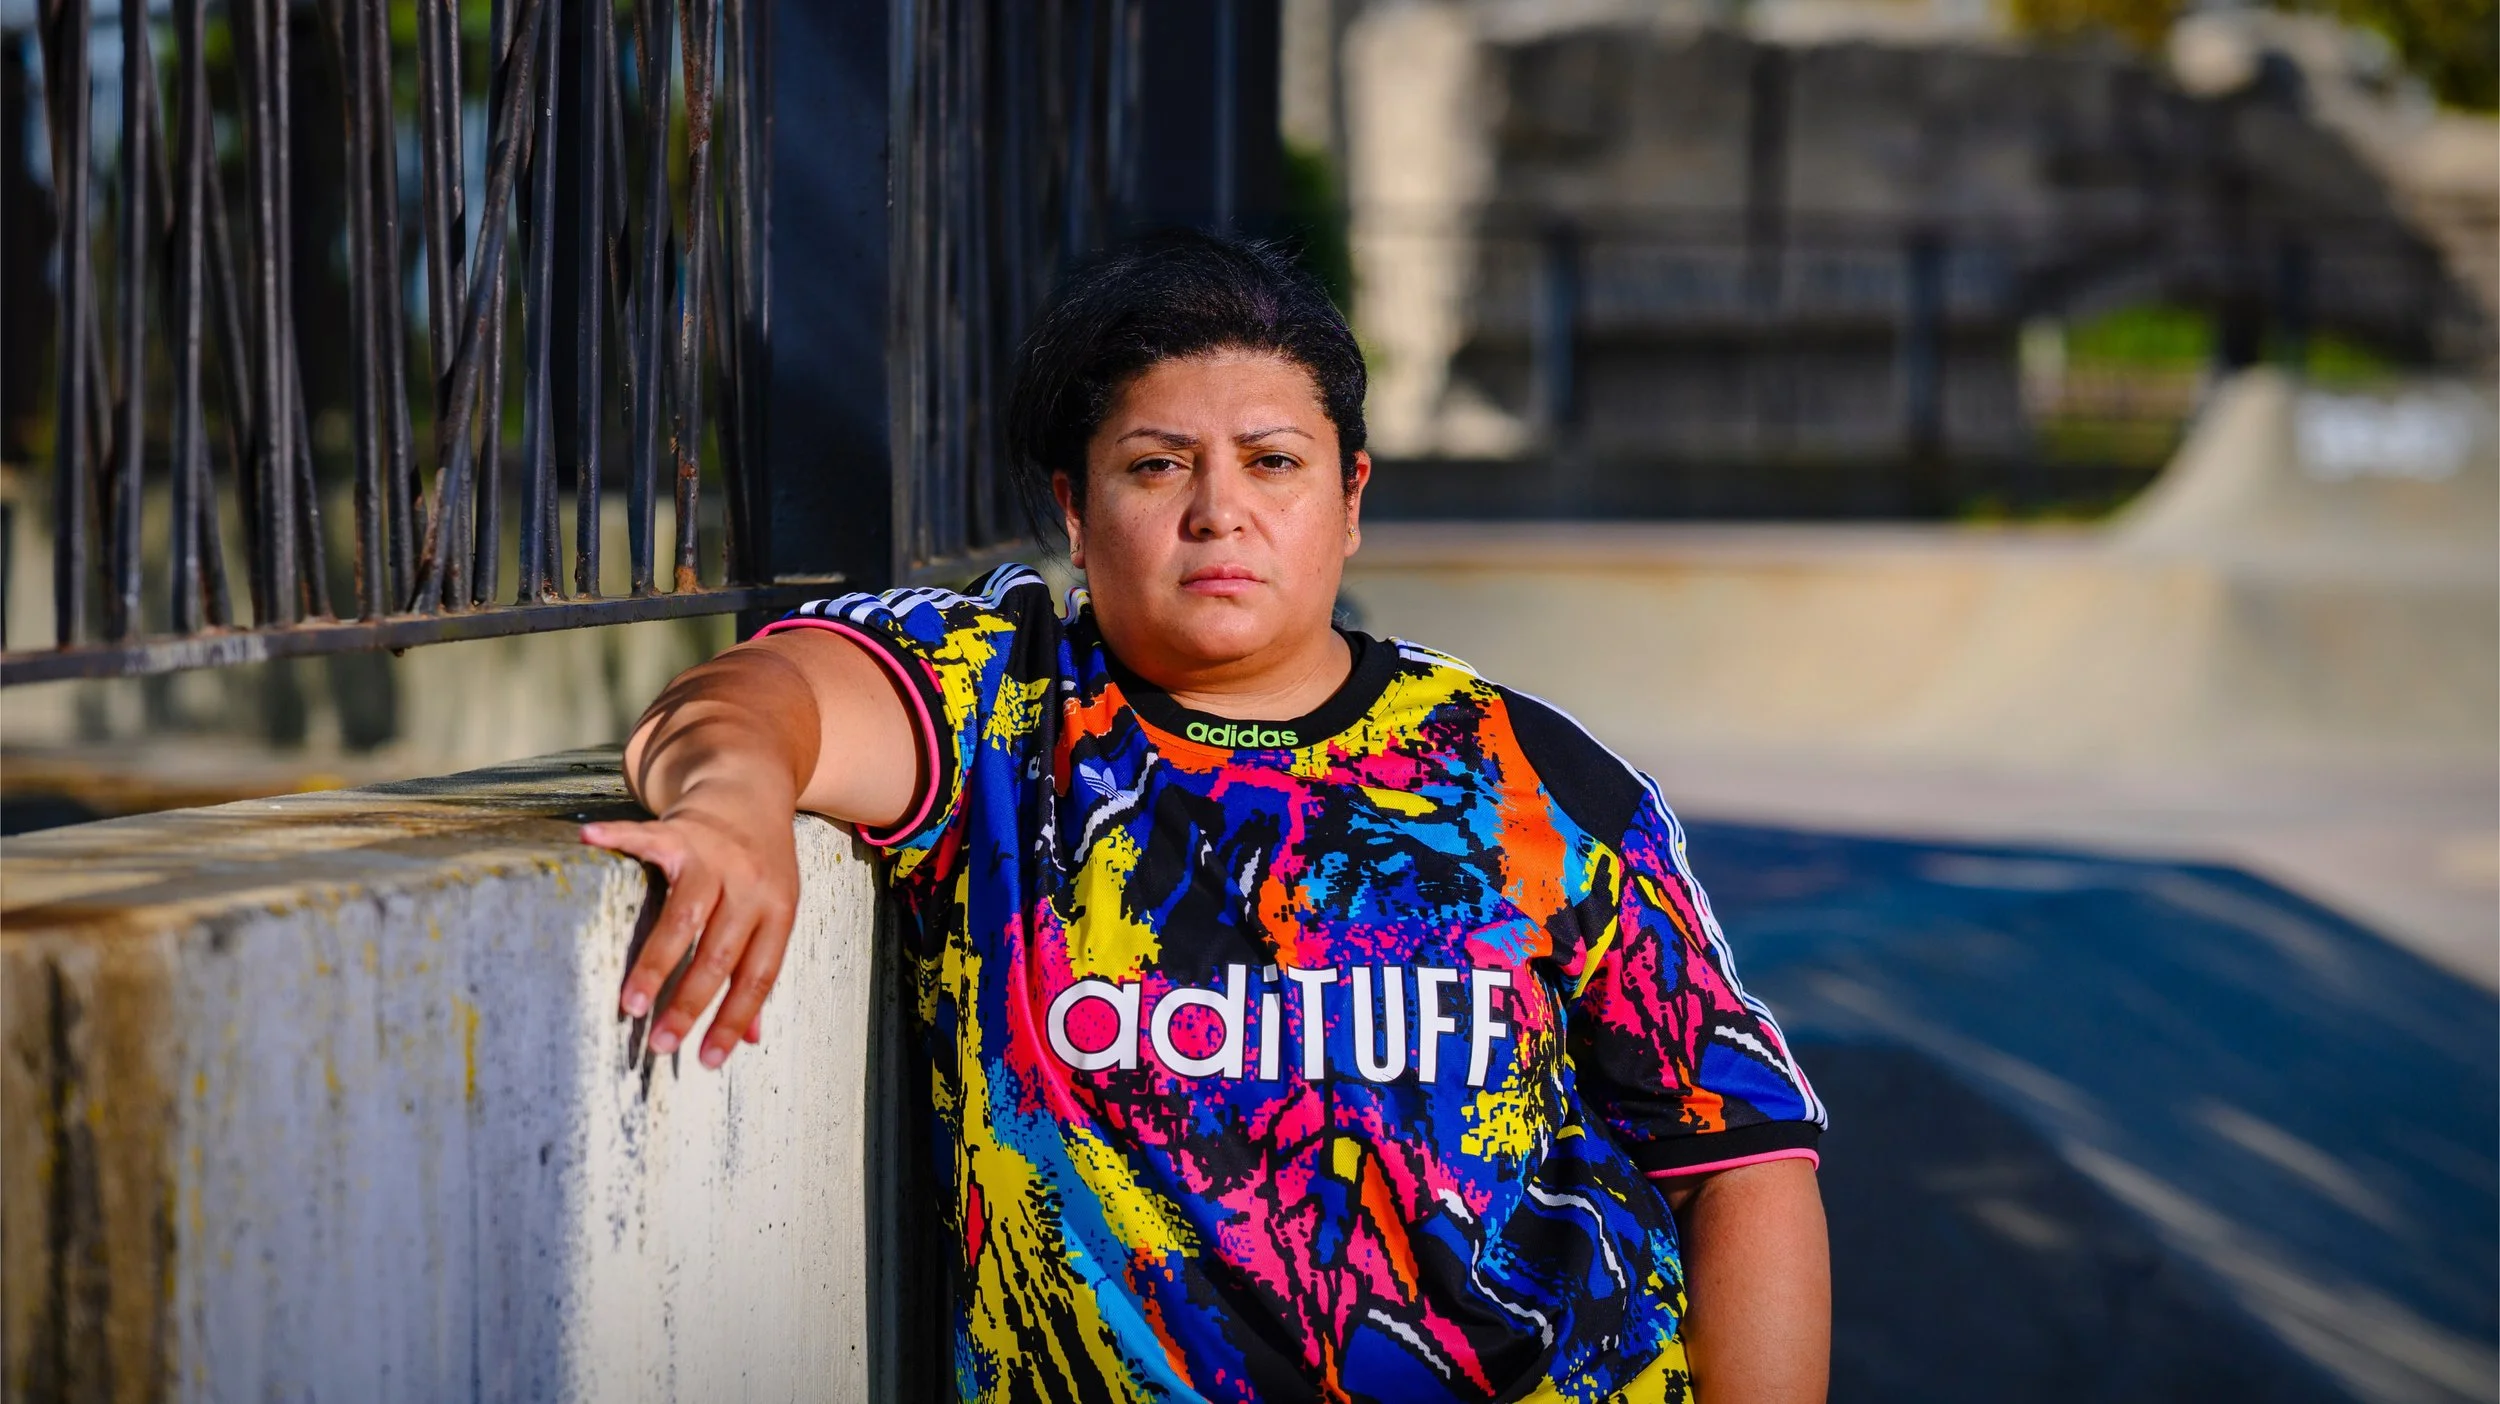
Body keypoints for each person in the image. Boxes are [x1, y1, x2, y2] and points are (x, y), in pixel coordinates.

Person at [584, 231, 1830, 1403]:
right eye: (1156, 464)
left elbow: (1740, 1156)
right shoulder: (1003, 709)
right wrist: (735, 803)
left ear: (1348, 499)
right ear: (1077, 510)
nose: (1217, 510)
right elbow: (758, 697)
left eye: (1273, 462)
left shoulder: (1530, 776)